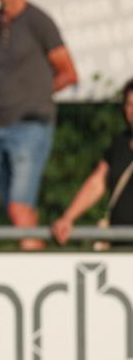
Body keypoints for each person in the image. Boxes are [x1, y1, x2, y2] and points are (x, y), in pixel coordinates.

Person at [0, 0, 78, 249]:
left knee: (18, 207)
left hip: (31, 125)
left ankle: (36, 272)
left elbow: (68, 72)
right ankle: (34, 263)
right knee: (19, 211)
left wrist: (36, 95)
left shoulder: (39, 21)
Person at [52, 79, 133, 245]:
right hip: (120, 247)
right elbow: (97, 183)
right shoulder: (119, 144)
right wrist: (68, 218)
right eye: (130, 104)